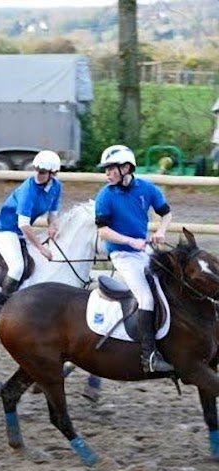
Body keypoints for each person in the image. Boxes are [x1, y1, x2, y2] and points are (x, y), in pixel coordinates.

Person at [94, 144, 174, 373]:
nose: (107, 173)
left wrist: (161, 231)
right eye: (106, 169)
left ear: (126, 168)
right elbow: (103, 232)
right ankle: (149, 357)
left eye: (111, 169)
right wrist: (130, 241)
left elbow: (166, 213)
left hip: (143, 251)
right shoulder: (105, 196)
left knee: (168, 286)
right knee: (146, 299)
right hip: (122, 255)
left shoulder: (147, 189)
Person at [0, 150, 62, 295]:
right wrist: (41, 248)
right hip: (5, 230)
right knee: (17, 268)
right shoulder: (28, 190)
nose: (37, 174)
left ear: (52, 174)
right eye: (36, 170)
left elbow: (53, 213)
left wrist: (52, 225)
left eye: (42, 172)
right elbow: (23, 224)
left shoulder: (56, 186)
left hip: (21, 232)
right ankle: (3, 302)